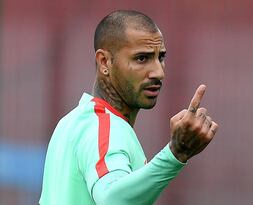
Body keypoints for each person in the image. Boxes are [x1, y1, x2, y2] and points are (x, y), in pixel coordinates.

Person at [40, 10, 219, 205]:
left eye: (161, 57)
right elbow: (112, 199)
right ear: (104, 62)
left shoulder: (71, 122)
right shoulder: (104, 127)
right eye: (142, 58)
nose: (158, 72)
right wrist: (176, 153)